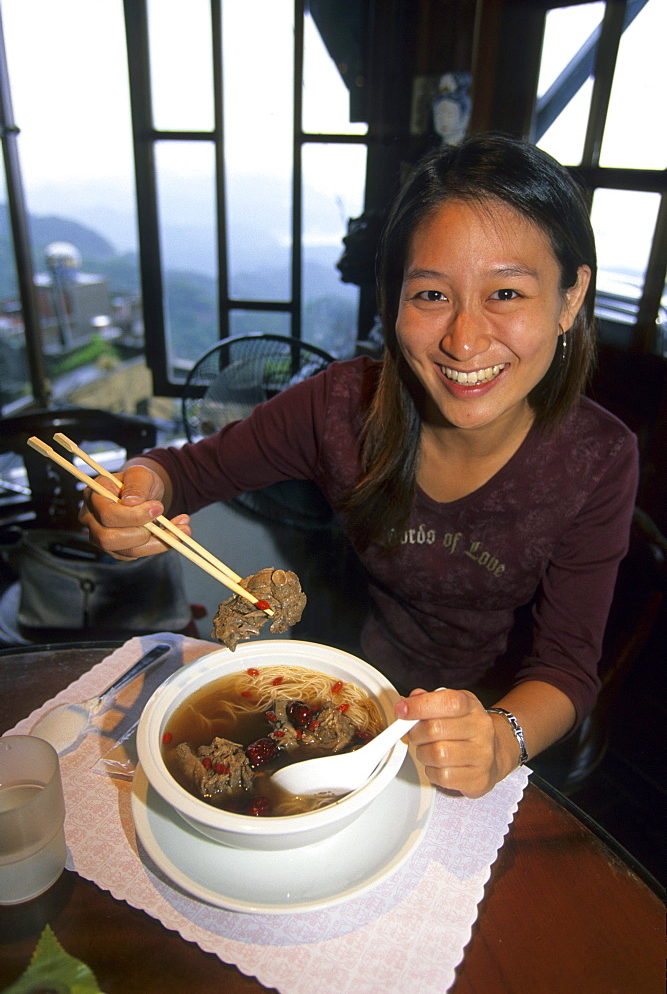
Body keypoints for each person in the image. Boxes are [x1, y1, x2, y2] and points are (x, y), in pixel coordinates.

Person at [81, 134, 638, 798]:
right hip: (351, 696)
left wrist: (501, 736)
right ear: (393, 298)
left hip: (499, 717)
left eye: (507, 294)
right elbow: (183, 471)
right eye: (431, 295)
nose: (462, 341)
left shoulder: (594, 459)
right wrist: (135, 493)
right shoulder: (338, 406)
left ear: (570, 299)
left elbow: (568, 668)